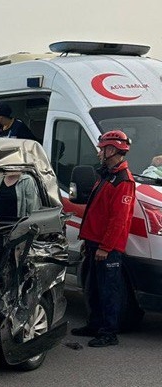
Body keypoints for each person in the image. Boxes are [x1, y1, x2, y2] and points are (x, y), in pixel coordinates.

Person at [71, 130, 136, 347]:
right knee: (93, 288)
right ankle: (95, 325)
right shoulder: (106, 175)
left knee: (109, 290)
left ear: (112, 150)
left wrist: (106, 247)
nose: (99, 154)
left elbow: (119, 219)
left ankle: (109, 332)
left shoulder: (123, 181)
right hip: (93, 242)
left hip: (106, 247)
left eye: (102, 150)